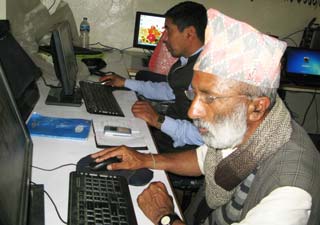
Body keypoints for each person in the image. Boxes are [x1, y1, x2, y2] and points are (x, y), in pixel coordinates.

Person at [91, 8, 320, 225]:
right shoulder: (250, 128)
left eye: (210, 98)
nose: (193, 111)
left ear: (257, 108)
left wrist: (164, 216)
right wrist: (145, 159)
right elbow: (202, 158)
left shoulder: (289, 193)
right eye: (194, 93)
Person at [99, 1, 207, 153]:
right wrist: (125, 82)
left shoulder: (206, 73)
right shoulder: (185, 61)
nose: (165, 38)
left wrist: (158, 120)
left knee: (113, 146)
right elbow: (168, 90)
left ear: (189, 33)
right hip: (170, 130)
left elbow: (204, 137)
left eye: (169, 31)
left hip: (184, 147)